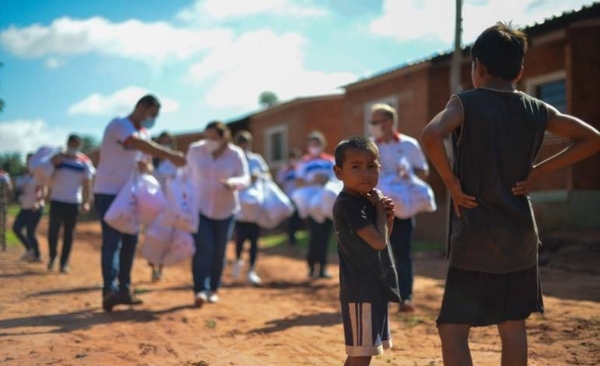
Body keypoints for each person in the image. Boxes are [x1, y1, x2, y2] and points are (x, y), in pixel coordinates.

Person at [421, 22, 600, 366]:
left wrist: (452, 184)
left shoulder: (466, 103)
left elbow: (431, 134)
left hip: (476, 234)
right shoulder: (536, 108)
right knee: (513, 326)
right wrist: (539, 171)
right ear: (520, 70)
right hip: (520, 234)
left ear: (478, 67)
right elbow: (592, 137)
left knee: (454, 329)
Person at [94, 94, 186, 312]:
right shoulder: (120, 125)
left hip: (132, 196)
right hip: (108, 192)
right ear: (141, 107)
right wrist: (170, 154)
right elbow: (135, 143)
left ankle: (124, 290)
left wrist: (149, 169)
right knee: (112, 241)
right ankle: (109, 290)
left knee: (130, 242)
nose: (152, 119)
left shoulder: (145, 133)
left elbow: (146, 161)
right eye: (152, 114)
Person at [332, 136, 401, 366]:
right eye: (356, 167)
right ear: (339, 172)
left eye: (371, 166)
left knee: (361, 351)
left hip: (373, 287)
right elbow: (379, 242)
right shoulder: (349, 205)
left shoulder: (364, 201)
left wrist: (386, 216)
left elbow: (383, 238)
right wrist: (380, 209)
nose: (365, 173)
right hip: (361, 289)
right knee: (361, 353)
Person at [369, 103, 429, 312]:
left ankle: (405, 296)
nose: (373, 126)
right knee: (376, 251)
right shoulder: (369, 146)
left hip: (400, 206)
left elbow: (423, 171)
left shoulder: (409, 145)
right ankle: (380, 296)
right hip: (374, 206)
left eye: (375, 122)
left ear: (388, 122)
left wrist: (408, 172)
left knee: (402, 251)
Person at [186, 121, 250, 307]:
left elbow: (245, 177)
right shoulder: (195, 150)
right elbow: (187, 175)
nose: (209, 141)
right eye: (207, 136)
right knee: (203, 247)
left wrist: (234, 182)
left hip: (226, 209)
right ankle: (200, 289)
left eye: (214, 137)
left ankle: (213, 289)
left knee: (219, 251)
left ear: (224, 137)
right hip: (200, 208)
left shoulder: (235, 154)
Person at [46, 134, 95, 273]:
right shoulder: (58, 158)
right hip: (57, 199)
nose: (74, 146)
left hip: (73, 201)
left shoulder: (84, 161)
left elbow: (87, 183)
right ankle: (52, 257)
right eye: (72, 144)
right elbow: (46, 174)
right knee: (53, 231)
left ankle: (64, 263)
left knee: (69, 233)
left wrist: (87, 201)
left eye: (76, 144)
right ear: (67, 143)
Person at [231, 130, 270, 286]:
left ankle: (251, 270)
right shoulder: (233, 160)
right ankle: (238, 261)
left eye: (246, 143)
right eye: (241, 143)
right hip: (240, 208)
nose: (244, 146)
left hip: (255, 209)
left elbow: (267, 175)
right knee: (240, 240)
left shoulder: (256, 159)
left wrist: (257, 176)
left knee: (254, 241)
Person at [295, 131, 336, 279]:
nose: (314, 147)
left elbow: (338, 180)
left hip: (327, 203)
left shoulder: (330, 161)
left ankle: (323, 268)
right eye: (312, 144)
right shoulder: (303, 162)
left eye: (317, 144)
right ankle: (312, 267)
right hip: (312, 204)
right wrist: (313, 181)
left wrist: (326, 181)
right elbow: (298, 182)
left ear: (323, 145)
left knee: (325, 235)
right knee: (314, 235)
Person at [148, 130, 179, 282]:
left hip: (170, 205)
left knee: (166, 238)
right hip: (153, 204)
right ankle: (153, 265)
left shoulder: (176, 161)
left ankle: (160, 267)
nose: (165, 145)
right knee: (153, 236)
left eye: (168, 142)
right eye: (162, 142)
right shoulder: (151, 161)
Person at [13, 153, 45, 262]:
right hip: (25, 207)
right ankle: (30, 249)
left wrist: (38, 201)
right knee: (16, 228)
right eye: (27, 161)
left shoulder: (38, 175)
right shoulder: (23, 176)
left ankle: (37, 255)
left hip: (35, 207)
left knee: (30, 232)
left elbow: (42, 190)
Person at [276, 148, 303, 246]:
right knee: (291, 219)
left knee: (298, 219)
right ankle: (291, 239)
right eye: (291, 158)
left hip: (299, 198)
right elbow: (280, 183)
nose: (292, 160)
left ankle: (294, 235)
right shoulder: (284, 170)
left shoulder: (300, 169)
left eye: (294, 158)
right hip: (288, 198)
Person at [0, 168, 12, 252]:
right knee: (3, 223)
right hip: (3, 201)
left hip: (3, 201)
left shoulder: (4, 175)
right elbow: (9, 188)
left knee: (3, 223)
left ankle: (3, 243)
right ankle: (4, 243)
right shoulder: (5, 175)